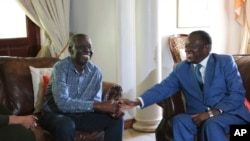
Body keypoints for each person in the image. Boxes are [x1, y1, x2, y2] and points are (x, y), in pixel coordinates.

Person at [120, 30, 250, 141]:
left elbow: (237, 93)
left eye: (192, 45)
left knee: (212, 124)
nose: (187, 49)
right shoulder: (181, 68)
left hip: (228, 113)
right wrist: (137, 101)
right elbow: (163, 88)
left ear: (206, 47)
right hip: (197, 113)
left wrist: (212, 113)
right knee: (179, 121)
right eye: (186, 45)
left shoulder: (224, 62)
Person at [41, 33, 124, 141]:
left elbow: (95, 101)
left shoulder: (95, 72)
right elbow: (62, 103)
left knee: (116, 119)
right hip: (55, 114)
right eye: (81, 47)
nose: (87, 50)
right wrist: (99, 105)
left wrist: (112, 109)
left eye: (89, 47)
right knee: (66, 125)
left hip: (82, 115)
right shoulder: (60, 68)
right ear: (71, 50)